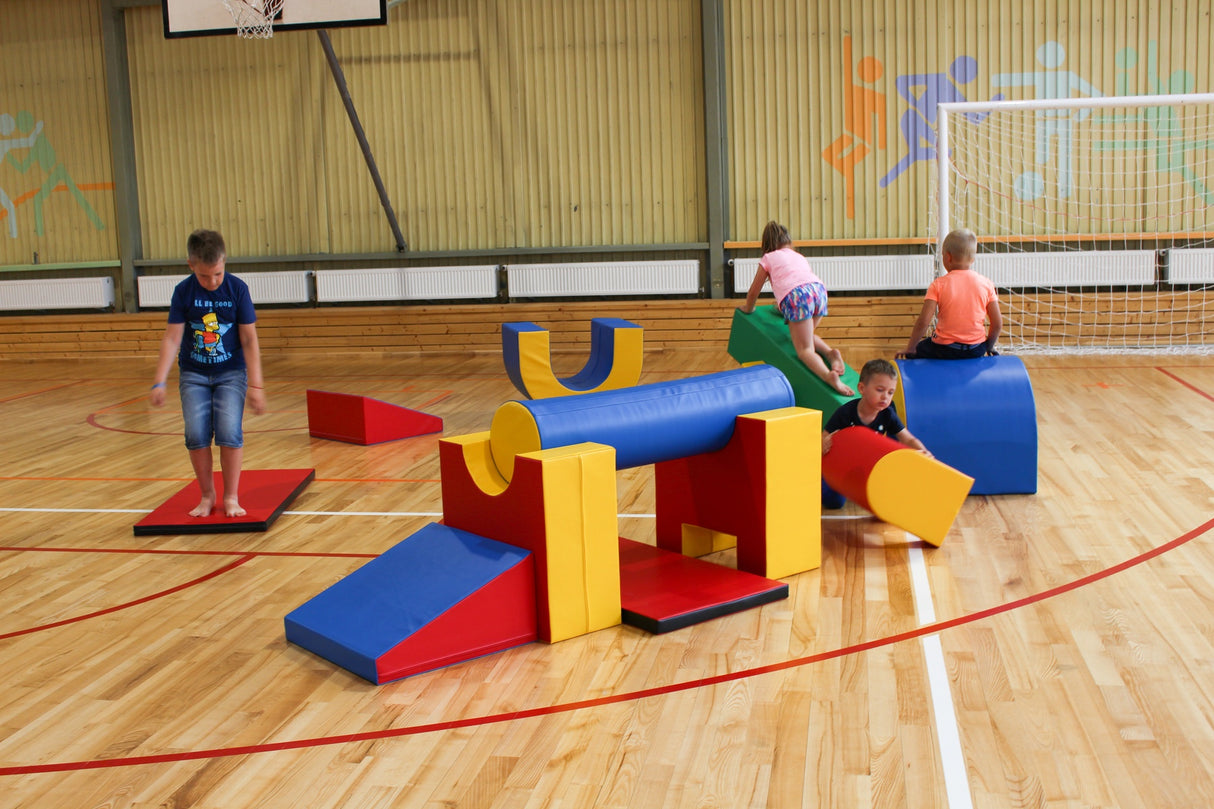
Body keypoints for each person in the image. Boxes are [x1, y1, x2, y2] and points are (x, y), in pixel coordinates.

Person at [149, 229, 266, 518]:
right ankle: (206, 494)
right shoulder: (184, 292)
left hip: (230, 373)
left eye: (217, 274)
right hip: (194, 374)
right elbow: (172, 338)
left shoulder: (237, 290)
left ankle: (231, 496)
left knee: (229, 431)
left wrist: (257, 386)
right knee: (196, 434)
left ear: (224, 261)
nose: (212, 282)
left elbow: (249, 339)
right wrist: (159, 380)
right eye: (204, 276)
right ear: (191, 265)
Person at [739, 221, 853, 395]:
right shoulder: (797, 256)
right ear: (788, 240)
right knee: (804, 336)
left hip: (798, 297)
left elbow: (754, 290)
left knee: (804, 350)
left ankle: (827, 376)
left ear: (767, 244)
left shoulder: (768, 258)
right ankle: (830, 353)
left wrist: (748, 308)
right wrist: (782, 308)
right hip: (819, 291)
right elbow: (800, 281)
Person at [820, 358, 929, 508]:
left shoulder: (887, 414)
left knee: (884, 501)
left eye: (891, 392)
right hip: (845, 463)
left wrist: (922, 451)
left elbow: (907, 439)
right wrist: (825, 442)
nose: (885, 397)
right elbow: (823, 436)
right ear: (862, 388)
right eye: (880, 390)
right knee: (833, 502)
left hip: (868, 464)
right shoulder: (846, 412)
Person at [898, 228, 1002, 360]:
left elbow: (923, 321)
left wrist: (911, 348)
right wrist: (989, 346)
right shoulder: (986, 283)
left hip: (945, 349)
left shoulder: (938, 284)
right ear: (973, 258)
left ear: (948, 257)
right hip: (976, 349)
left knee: (919, 350)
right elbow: (997, 324)